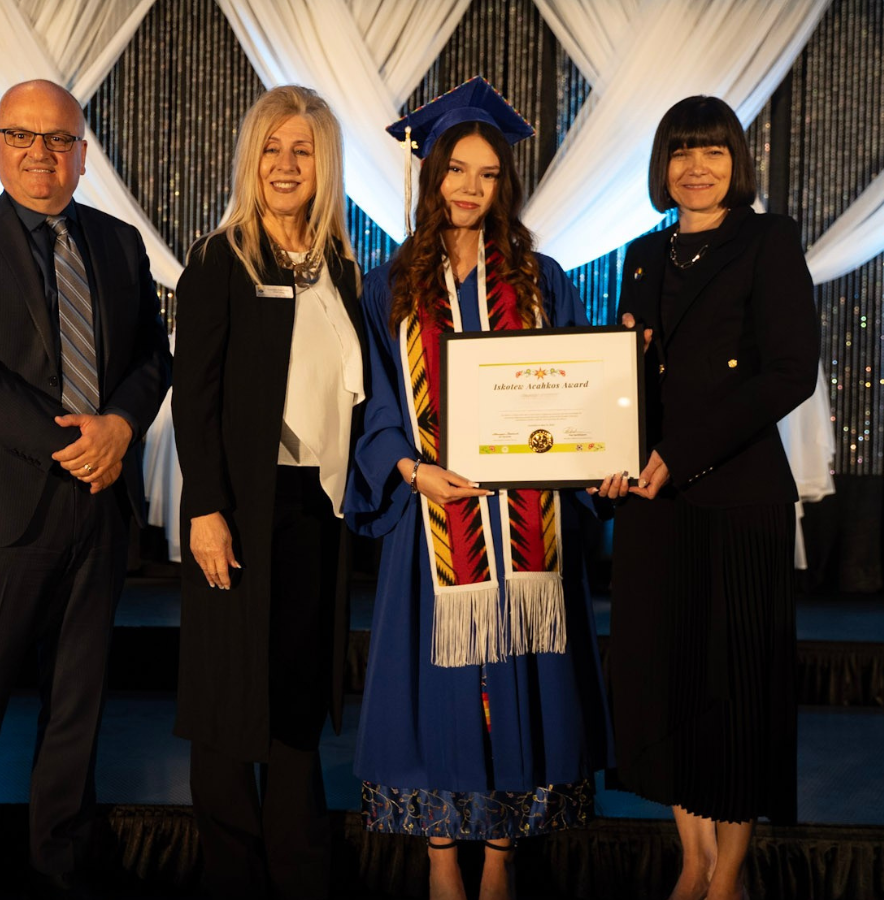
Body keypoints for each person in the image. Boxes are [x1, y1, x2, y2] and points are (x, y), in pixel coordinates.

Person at [345, 77, 613, 900]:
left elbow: (574, 391)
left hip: (528, 523)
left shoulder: (541, 279)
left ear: (505, 185)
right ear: (432, 176)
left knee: (521, 678)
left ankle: (500, 856)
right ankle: (440, 860)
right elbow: (371, 400)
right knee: (438, 688)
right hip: (435, 519)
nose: (470, 187)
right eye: (456, 170)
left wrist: (605, 432)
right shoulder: (389, 286)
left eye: (488, 174)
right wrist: (410, 469)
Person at [0, 79, 171, 897]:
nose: (40, 153)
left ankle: (61, 865)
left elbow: (153, 356)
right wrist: (75, 443)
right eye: (22, 136)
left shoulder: (119, 242)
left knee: (76, 708)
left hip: (100, 507)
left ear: (82, 155)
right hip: (3, 511)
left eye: (58, 139)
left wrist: (120, 425)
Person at [608, 95, 818, 900]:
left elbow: (790, 373)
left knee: (732, 688)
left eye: (713, 151)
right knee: (666, 682)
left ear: (737, 162)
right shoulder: (642, 254)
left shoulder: (769, 240)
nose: (696, 167)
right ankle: (691, 857)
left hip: (736, 497)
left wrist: (678, 454)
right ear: (662, 165)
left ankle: (728, 873)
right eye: (681, 151)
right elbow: (625, 379)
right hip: (652, 505)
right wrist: (609, 454)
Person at [172, 84, 365, 900]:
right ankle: (232, 876)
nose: (286, 165)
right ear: (251, 160)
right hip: (238, 509)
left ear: (326, 164)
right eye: (272, 149)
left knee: (294, 696)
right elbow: (194, 397)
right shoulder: (219, 260)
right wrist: (204, 508)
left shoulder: (342, 269)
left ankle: (300, 870)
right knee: (225, 702)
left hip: (315, 512)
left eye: (303, 150)